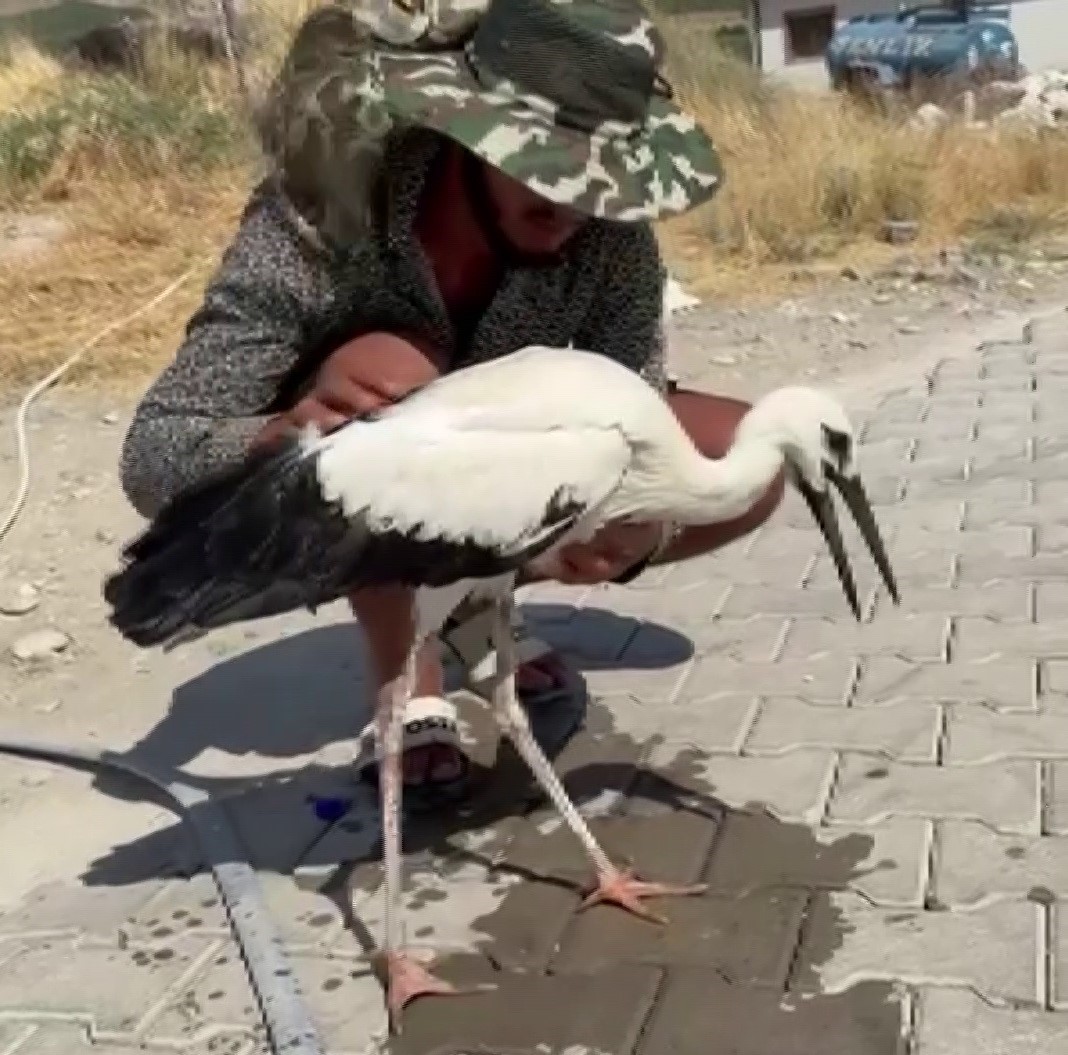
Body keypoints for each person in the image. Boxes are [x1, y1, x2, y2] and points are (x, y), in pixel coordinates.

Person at [118, 0, 784, 810]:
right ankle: (409, 673)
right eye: (544, 165)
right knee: (398, 372)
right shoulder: (320, 209)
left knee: (746, 452)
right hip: (362, 475)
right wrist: (291, 434)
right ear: (467, 131)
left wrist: (627, 513)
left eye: (595, 177)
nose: (572, 202)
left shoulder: (612, 231)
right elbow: (159, 446)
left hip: (502, 461)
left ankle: (477, 604)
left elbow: (635, 394)